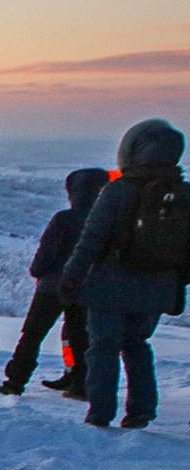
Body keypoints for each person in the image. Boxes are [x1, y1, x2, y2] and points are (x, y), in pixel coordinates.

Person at [61, 118, 187, 429]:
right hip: (158, 286)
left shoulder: (118, 192)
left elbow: (90, 241)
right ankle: (141, 411)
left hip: (109, 284)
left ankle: (100, 413)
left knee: (102, 347)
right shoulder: (183, 195)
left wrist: (71, 277)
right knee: (137, 345)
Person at [0, 168, 110, 397]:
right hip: (86, 287)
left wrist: (36, 271)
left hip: (52, 287)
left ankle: (15, 382)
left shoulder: (64, 219)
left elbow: (46, 252)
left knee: (32, 334)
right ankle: (79, 383)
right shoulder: (106, 221)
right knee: (79, 336)